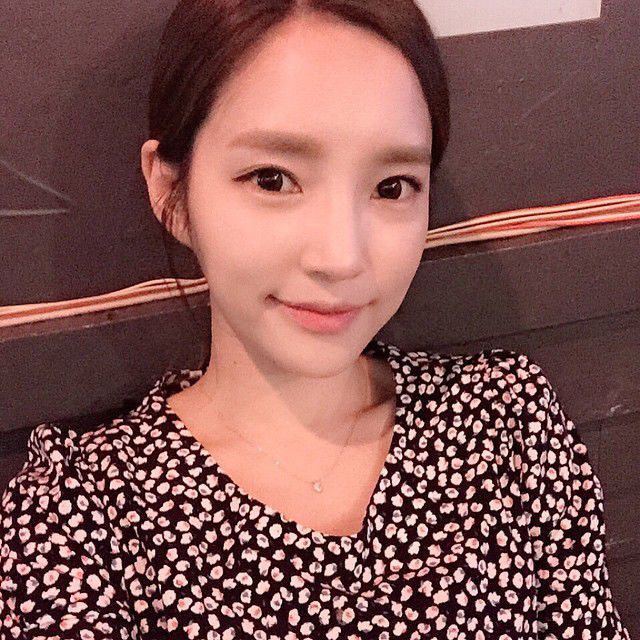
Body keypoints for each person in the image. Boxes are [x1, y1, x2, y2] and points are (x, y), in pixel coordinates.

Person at [0, 1, 631, 638]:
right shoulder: (79, 521)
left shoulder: (506, 423)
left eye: (392, 186)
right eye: (273, 179)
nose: (341, 257)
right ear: (170, 193)